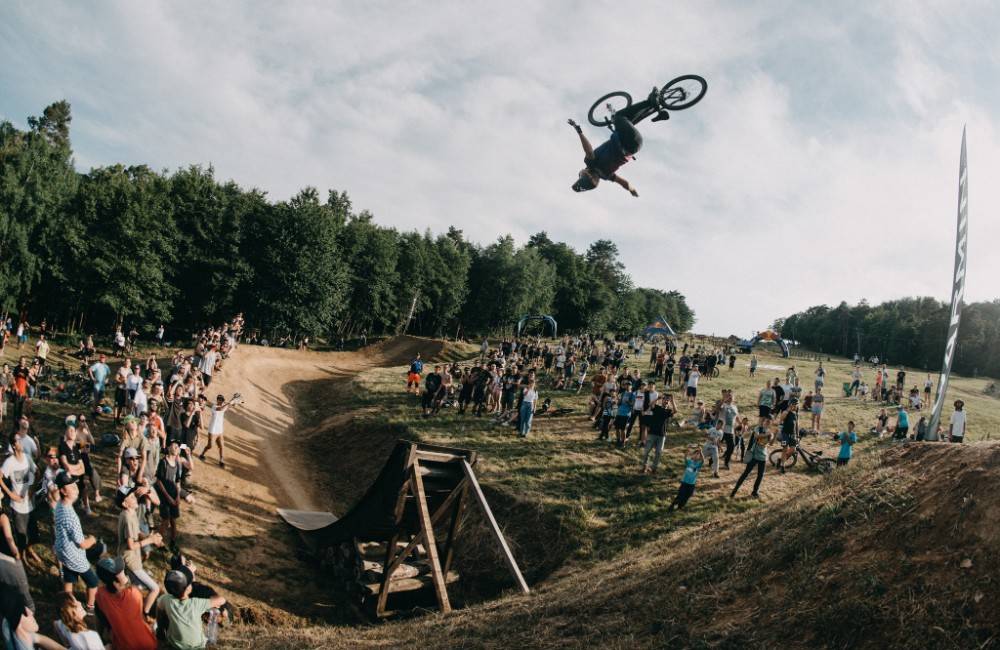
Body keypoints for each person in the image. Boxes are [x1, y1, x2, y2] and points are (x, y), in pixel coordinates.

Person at [52, 470, 99, 612]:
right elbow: (82, 543)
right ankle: (90, 607)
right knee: (93, 581)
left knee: (69, 577)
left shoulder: (59, 505)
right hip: (73, 554)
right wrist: (92, 539)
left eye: (75, 485)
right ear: (63, 491)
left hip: (63, 550)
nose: (76, 489)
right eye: (71, 487)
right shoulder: (71, 516)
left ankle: (66, 605)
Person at [94, 555, 158, 650]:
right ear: (114, 582)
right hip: (148, 644)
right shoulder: (134, 593)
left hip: (123, 646)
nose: (123, 570)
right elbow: (140, 615)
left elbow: (101, 621)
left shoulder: (100, 595)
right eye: (120, 571)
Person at [157, 569, 227, 650]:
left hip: (175, 645)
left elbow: (159, 607)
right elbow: (222, 600)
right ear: (187, 589)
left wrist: (160, 628)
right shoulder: (196, 603)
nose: (192, 584)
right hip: (197, 647)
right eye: (190, 583)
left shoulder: (166, 599)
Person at [0, 436, 42, 567]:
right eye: (18, 440)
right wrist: (11, 494)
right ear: (13, 446)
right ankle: (23, 557)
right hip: (17, 507)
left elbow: (37, 472)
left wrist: (32, 489)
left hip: (30, 504)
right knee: (21, 536)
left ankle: (29, 549)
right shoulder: (9, 462)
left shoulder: (27, 458)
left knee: (34, 534)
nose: (21, 442)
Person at [156, 441, 194, 547]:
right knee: (166, 521)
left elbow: (177, 481)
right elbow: (159, 481)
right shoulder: (163, 462)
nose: (177, 447)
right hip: (165, 496)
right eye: (174, 445)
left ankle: (173, 541)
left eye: (178, 446)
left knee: (173, 520)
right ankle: (157, 542)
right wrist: (168, 497)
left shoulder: (177, 463)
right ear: (168, 448)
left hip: (174, 494)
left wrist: (177, 496)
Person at [731, 420, 772, 499]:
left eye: (769, 422)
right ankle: (734, 490)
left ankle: (755, 492)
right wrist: (768, 434)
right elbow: (757, 436)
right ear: (763, 422)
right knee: (746, 473)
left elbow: (771, 443)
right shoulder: (758, 428)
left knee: (760, 476)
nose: (767, 423)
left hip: (763, 457)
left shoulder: (769, 432)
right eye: (766, 421)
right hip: (754, 455)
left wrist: (774, 435)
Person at [640, 395, 674, 474]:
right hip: (652, 433)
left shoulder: (668, 411)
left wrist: (672, 401)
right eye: (665, 400)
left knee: (658, 452)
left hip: (662, 435)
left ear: (669, 402)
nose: (666, 401)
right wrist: (657, 398)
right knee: (646, 451)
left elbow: (675, 411)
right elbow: (650, 404)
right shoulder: (657, 408)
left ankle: (653, 468)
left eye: (667, 400)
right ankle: (645, 467)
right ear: (662, 401)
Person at [199, 394, 233, 468]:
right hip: (212, 431)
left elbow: (229, 407)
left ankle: (221, 461)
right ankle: (202, 454)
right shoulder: (214, 407)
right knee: (210, 446)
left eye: (222, 400)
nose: (220, 401)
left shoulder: (223, 407)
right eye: (219, 399)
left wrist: (233, 402)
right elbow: (220, 409)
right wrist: (229, 402)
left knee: (221, 446)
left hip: (219, 430)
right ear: (217, 400)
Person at [667, 448, 704, 512]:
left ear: (699, 457)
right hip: (684, 482)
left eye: (698, 455)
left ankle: (680, 506)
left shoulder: (698, 464)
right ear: (692, 455)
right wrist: (687, 452)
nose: (696, 456)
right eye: (695, 454)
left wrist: (701, 453)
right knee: (681, 495)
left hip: (692, 484)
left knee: (688, 495)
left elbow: (703, 460)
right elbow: (685, 458)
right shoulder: (689, 462)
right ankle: (673, 505)